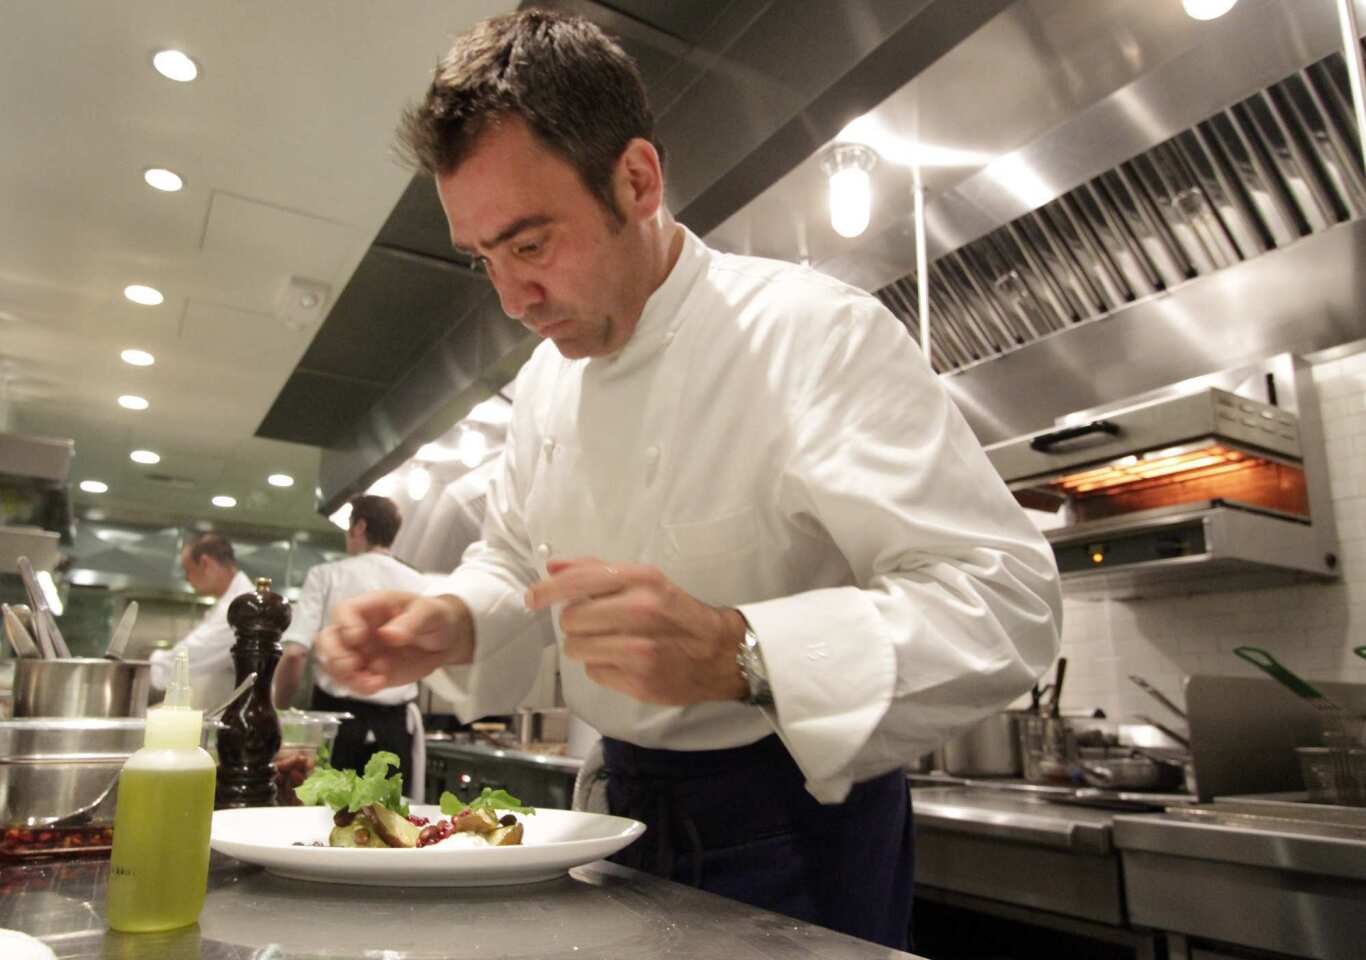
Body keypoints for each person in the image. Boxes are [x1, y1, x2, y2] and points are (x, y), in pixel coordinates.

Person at [316, 9, 1061, 950]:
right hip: (622, 814)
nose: (512, 299)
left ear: (636, 179)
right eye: (486, 261)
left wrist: (743, 652)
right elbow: (515, 558)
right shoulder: (546, 382)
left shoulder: (813, 335)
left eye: (533, 244)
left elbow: (1006, 599)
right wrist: (456, 615)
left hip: (798, 827)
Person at [273, 495, 428, 782]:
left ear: (359, 526)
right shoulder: (419, 583)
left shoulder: (325, 575)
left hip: (336, 728)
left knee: (328, 819)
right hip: (395, 730)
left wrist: (278, 712)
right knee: (392, 821)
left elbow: (294, 653)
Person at [149, 533, 253, 712]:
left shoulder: (242, 606)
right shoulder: (229, 602)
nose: (187, 579)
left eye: (187, 570)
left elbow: (188, 658)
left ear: (205, 563)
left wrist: (138, 671)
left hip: (233, 720)